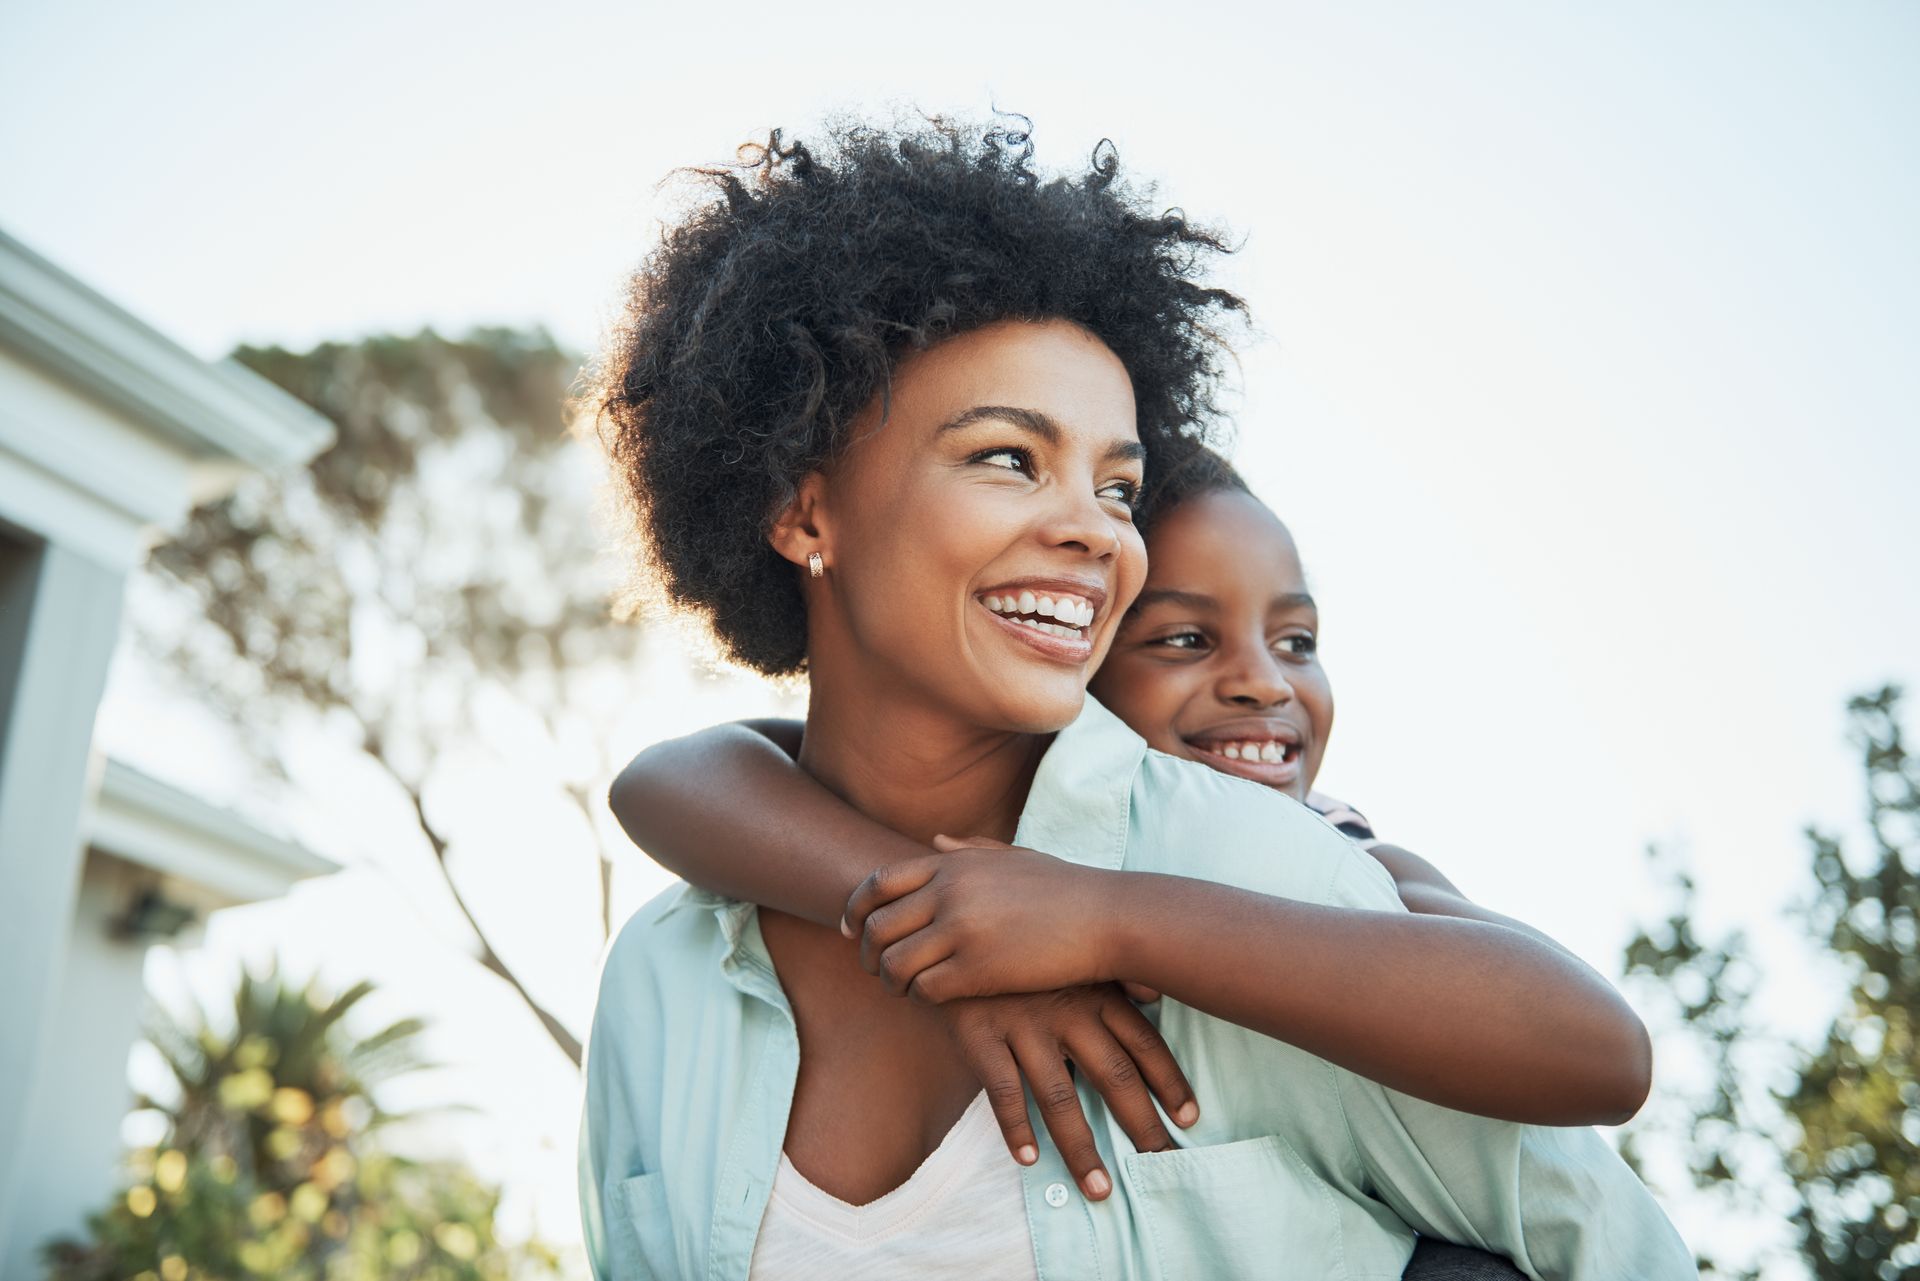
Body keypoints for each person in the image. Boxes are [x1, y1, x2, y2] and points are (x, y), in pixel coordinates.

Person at [579, 115, 1694, 1279]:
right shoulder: (663, 983)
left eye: (1119, 486)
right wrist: (920, 933)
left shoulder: (1263, 880)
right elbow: (673, 778)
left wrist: (1103, 924)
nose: (1093, 530)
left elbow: (1610, 1221)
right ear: (805, 512)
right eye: (1009, 457)